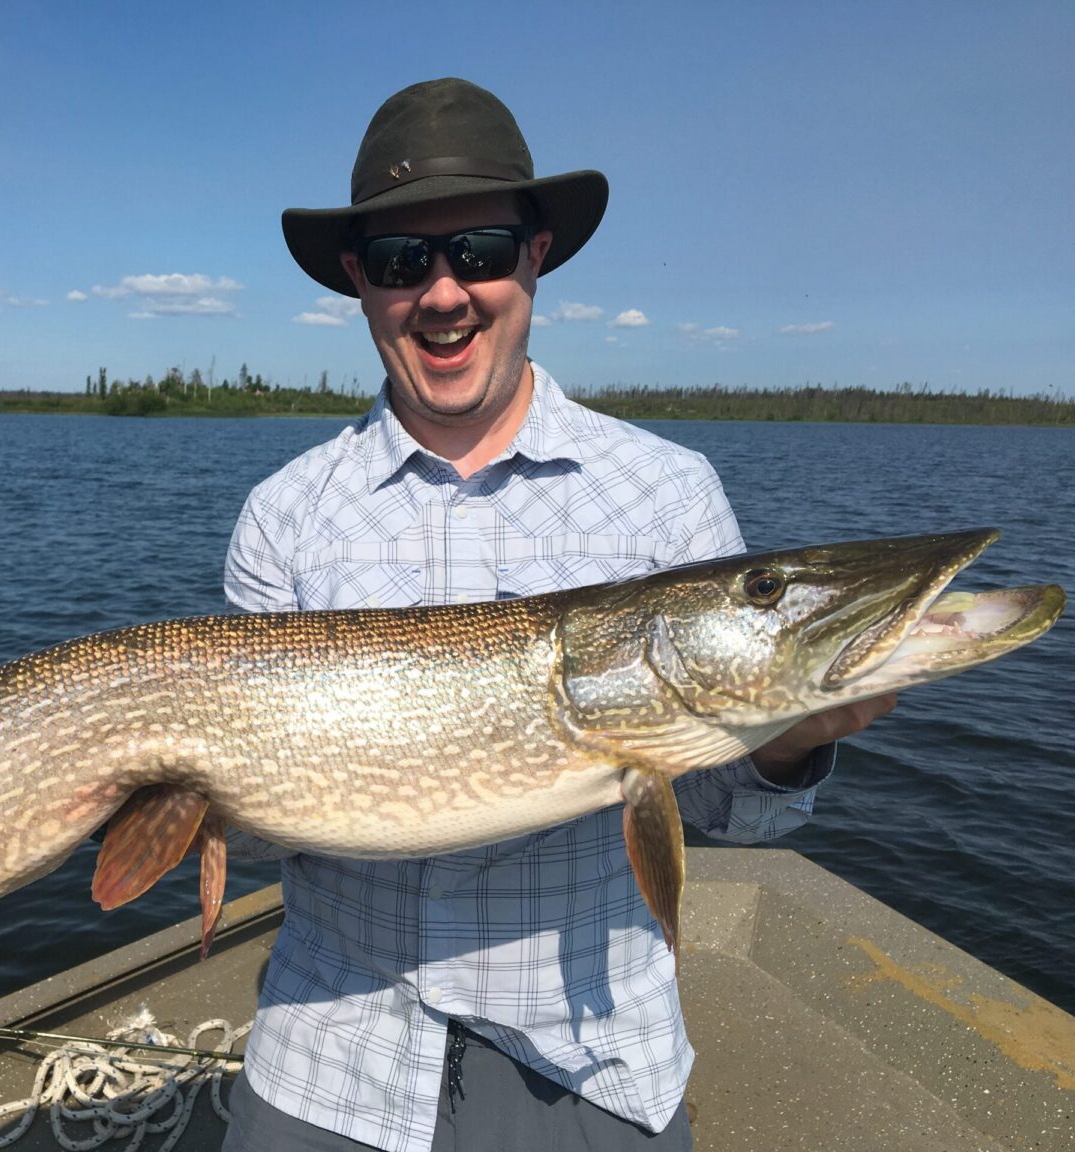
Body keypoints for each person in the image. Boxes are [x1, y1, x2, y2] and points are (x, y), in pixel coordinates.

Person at [219, 79, 894, 1152]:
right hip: (328, 1055)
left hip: (590, 1064)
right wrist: (186, 810)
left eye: (479, 249)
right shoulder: (284, 517)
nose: (444, 293)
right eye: (403, 262)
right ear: (359, 282)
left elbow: (729, 814)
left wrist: (785, 746)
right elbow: (258, 837)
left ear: (535, 256)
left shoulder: (666, 493)